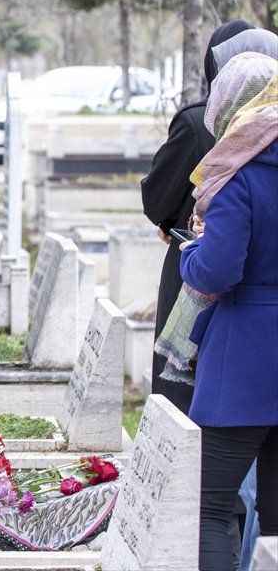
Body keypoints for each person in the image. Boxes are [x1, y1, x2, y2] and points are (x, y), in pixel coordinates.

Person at [166, 52, 278, 570]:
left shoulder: (239, 174)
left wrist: (191, 251)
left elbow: (217, 272)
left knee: (208, 506)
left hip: (244, 360)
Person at [141, 22, 278, 412]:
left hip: (207, 271)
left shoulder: (205, 127)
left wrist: (185, 239)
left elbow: (159, 200)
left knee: (186, 398)